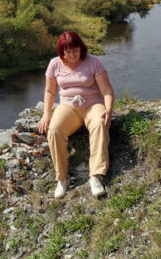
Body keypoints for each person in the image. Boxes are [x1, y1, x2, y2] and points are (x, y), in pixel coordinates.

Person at [37, 31, 114, 198]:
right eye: (68, 51)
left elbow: (107, 90)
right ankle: (62, 179)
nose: (72, 54)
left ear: (81, 47)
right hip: (68, 106)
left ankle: (95, 176)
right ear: (62, 51)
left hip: (93, 104)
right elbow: (50, 91)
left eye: (75, 50)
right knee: (55, 130)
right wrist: (46, 114)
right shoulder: (54, 64)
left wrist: (108, 109)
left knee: (99, 124)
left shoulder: (94, 62)